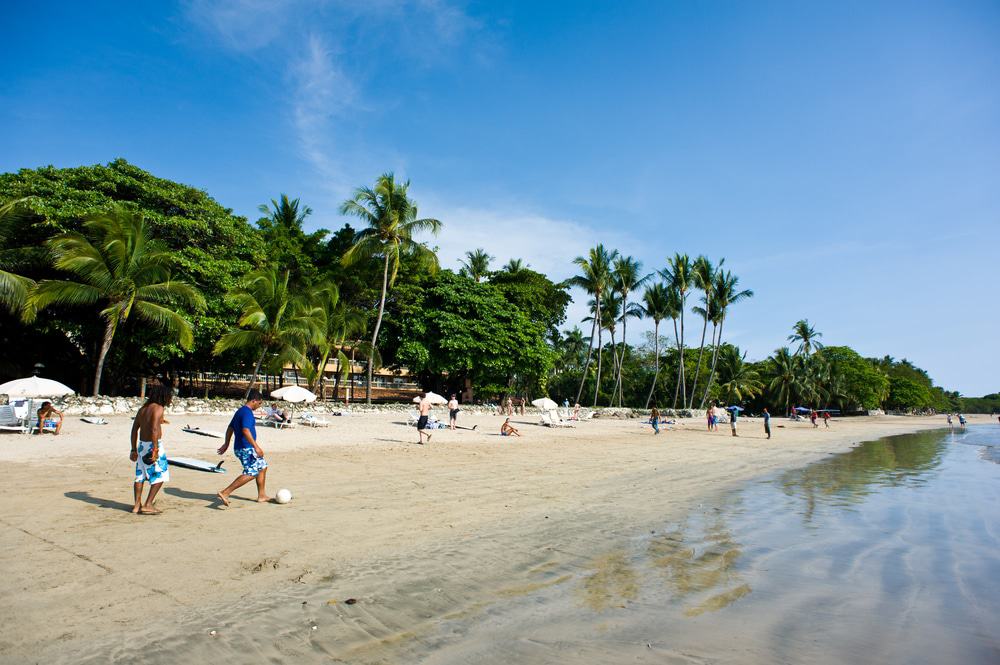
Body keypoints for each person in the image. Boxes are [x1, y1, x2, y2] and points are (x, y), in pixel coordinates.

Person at [216, 389, 271, 506]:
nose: (260, 406)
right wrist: (256, 447)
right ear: (254, 400)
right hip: (246, 447)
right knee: (252, 472)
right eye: (259, 403)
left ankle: (262, 495)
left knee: (262, 467)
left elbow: (230, 428)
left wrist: (226, 444)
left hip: (242, 447)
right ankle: (225, 492)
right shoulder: (247, 412)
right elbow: (245, 430)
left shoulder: (240, 411)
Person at [129, 383, 172, 515]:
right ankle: (148, 504)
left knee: (140, 476)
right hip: (153, 445)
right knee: (161, 475)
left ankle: (136, 505)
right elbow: (153, 429)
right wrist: (155, 450)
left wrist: (133, 449)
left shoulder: (142, 409)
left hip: (142, 446)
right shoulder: (158, 408)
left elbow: (134, 429)